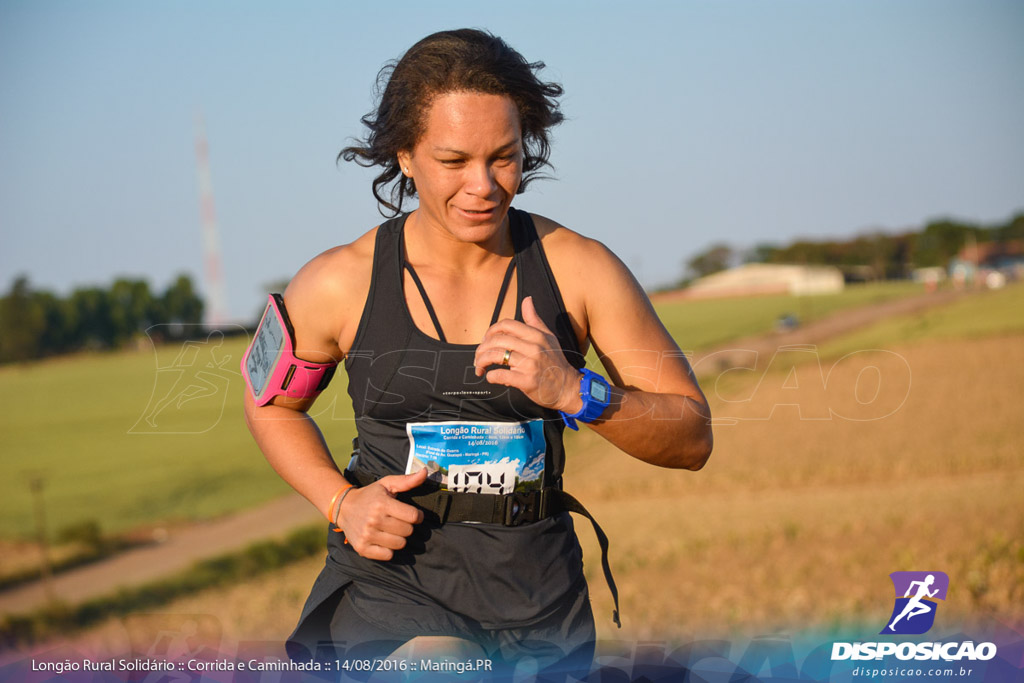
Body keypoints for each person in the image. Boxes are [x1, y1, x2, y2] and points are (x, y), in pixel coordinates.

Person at [242, 28, 713, 677]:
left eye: (504, 157)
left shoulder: (580, 270)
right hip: (395, 590)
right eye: (454, 160)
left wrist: (578, 391)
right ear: (405, 154)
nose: (484, 185)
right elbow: (270, 406)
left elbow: (692, 435)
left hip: (541, 599)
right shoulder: (338, 282)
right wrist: (340, 502)